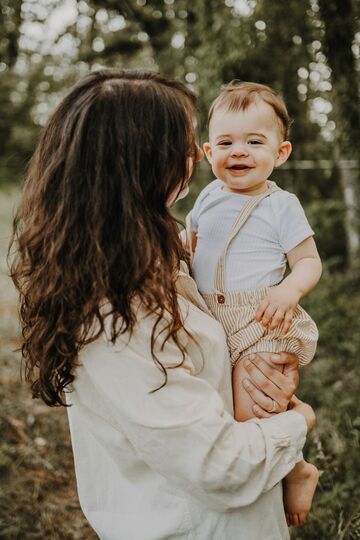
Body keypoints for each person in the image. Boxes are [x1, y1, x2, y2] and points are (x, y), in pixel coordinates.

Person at [10, 69, 316, 540]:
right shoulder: (113, 311)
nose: (197, 154)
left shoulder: (156, 248)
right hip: (192, 527)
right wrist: (299, 419)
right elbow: (218, 464)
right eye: (184, 142)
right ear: (140, 162)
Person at [186, 81, 321, 527]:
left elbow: (307, 262)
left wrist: (289, 291)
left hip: (262, 316)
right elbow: (191, 245)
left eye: (253, 141)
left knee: (253, 407)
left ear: (280, 153)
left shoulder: (281, 205)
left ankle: (295, 469)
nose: (238, 151)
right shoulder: (206, 198)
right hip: (212, 315)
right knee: (222, 404)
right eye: (225, 142)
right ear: (208, 153)